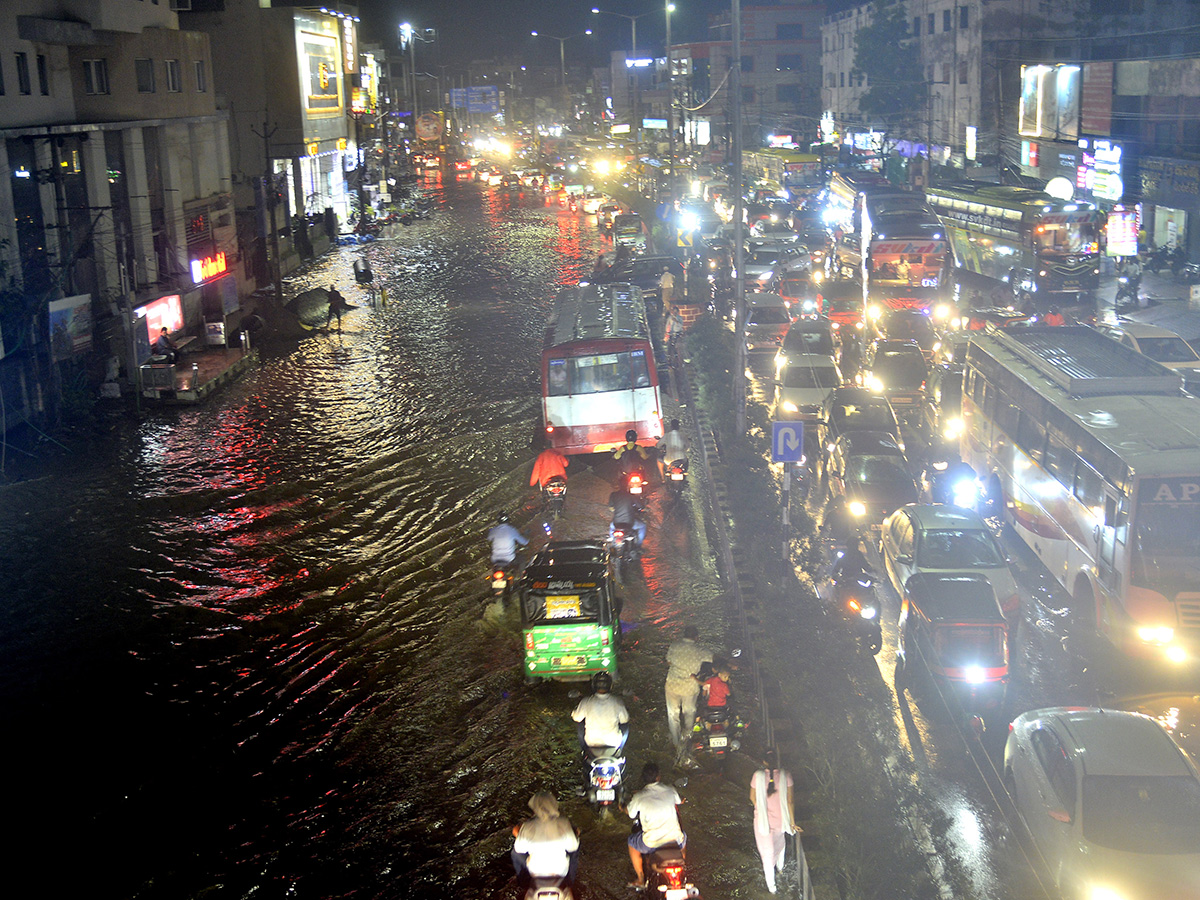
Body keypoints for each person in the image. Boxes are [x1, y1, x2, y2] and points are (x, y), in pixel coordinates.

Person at [624, 762, 686, 889]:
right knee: (683, 836)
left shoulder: (639, 796)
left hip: (651, 843)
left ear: (643, 778)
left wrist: (621, 808)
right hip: (675, 841)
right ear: (658, 777)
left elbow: (630, 813)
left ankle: (641, 879)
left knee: (631, 842)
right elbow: (679, 801)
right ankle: (682, 865)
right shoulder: (670, 789)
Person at [749, 749, 798, 894]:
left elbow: (752, 798)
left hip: (763, 822)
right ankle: (781, 869)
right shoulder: (786, 775)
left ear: (763, 761)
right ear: (777, 760)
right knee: (780, 844)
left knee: (767, 852)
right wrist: (792, 822)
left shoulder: (757, 776)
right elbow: (790, 801)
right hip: (781, 820)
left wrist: (762, 810)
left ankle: (772, 887)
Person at [511, 791, 580, 888]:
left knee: (515, 853)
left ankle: (523, 885)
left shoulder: (528, 826)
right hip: (560, 871)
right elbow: (573, 847)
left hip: (535, 872)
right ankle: (570, 883)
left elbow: (519, 849)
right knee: (575, 850)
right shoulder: (563, 823)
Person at [664, 625, 713, 748]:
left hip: (672, 685)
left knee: (673, 714)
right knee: (689, 712)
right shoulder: (700, 650)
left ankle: (676, 742)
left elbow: (668, 661)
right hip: (689, 688)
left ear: (684, 635)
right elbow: (714, 658)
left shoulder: (674, 646)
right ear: (696, 637)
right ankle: (687, 736)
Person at [571, 671, 630, 752]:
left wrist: (574, 711)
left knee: (580, 723)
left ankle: (584, 750)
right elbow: (625, 719)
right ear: (610, 685)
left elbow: (576, 718)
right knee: (625, 726)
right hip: (613, 742)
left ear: (594, 685)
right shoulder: (617, 701)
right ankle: (620, 750)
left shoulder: (586, 701)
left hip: (591, 743)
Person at [608, 485, 647, 549]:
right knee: (642, 526)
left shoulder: (613, 495)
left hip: (616, 523)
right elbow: (640, 506)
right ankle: (639, 546)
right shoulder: (631, 496)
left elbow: (611, 507)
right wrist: (644, 508)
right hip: (630, 523)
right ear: (627, 487)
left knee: (611, 527)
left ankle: (613, 542)